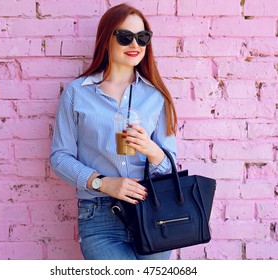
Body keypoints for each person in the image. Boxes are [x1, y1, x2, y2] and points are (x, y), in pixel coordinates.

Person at [49, 3, 178, 260]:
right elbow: (59, 157)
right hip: (98, 216)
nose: (135, 45)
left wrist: (152, 150)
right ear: (106, 38)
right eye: (125, 37)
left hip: (152, 210)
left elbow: (169, 166)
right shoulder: (78, 92)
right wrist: (103, 183)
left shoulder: (156, 96)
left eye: (142, 38)